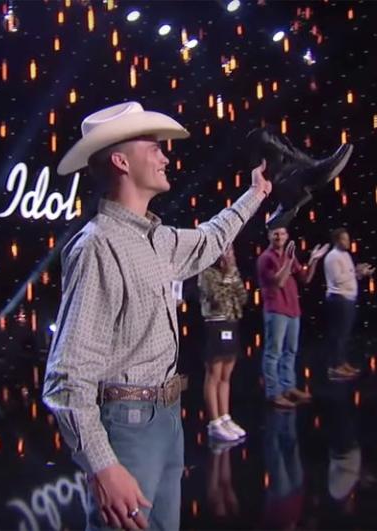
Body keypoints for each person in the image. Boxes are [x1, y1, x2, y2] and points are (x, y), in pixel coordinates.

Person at [42, 101, 271, 530]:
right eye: (154, 146)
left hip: (166, 419)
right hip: (127, 428)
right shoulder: (97, 247)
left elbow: (210, 239)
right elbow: (67, 376)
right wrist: (102, 466)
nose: (166, 156)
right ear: (120, 160)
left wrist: (256, 192)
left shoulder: (158, 239)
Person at [257, 227, 329, 408]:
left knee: (290, 352)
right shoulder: (266, 258)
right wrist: (288, 261)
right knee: (273, 353)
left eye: (282, 233)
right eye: (275, 233)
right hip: (276, 310)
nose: (279, 236)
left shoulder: (289, 256)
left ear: (287, 236)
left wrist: (313, 260)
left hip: (292, 310)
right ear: (269, 236)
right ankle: (274, 393)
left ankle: (288, 387)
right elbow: (279, 282)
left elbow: (305, 278)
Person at [197, 245, 249, 442]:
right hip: (215, 325)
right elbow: (217, 298)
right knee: (214, 374)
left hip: (232, 323)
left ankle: (225, 417)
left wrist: (232, 275)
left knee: (226, 375)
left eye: (231, 252)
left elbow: (242, 297)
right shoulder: (206, 273)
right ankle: (214, 422)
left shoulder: (233, 272)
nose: (228, 256)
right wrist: (228, 277)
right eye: (225, 252)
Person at [323, 228, 373, 381]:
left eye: (348, 239)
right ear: (337, 240)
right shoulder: (332, 257)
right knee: (338, 334)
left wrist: (360, 272)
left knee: (344, 334)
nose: (348, 242)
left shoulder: (345, 255)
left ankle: (342, 362)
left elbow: (350, 276)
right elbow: (338, 279)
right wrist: (355, 271)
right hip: (339, 299)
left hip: (348, 298)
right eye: (345, 239)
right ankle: (335, 367)